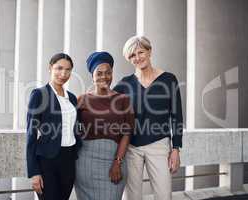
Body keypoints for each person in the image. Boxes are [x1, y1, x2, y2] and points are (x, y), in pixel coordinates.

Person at [113, 36, 183, 200]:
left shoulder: (168, 79)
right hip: (131, 147)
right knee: (132, 197)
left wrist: (176, 148)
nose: (137, 58)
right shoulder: (124, 84)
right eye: (132, 56)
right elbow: (108, 106)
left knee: (164, 195)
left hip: (159, 145)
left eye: (141, 52)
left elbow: (177, 116)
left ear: (149, 51)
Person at [74, 51, 135, 200]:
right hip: (85, 162)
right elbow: (69, 127)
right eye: (99, 73)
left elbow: (127, 134)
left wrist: (117, 162)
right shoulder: (82, 99)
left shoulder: (123, 100)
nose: (104, 77)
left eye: (108, 73)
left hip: (114, 159)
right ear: (92, 75)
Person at [26, 53, 81, 200]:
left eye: (68, 70)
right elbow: (31, 134)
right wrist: (34, 172)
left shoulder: (72, 98)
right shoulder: (39, 95)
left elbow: (76, 128)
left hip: (69, 159)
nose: (63, 74)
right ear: (50, 68)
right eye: (59, 68)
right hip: (47, 160)